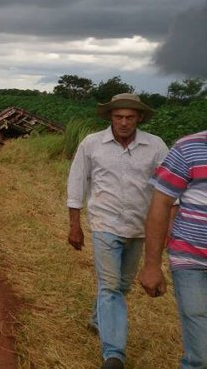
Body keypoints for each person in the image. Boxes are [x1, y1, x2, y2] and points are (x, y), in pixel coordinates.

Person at [66, 93, 168, 369]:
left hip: (139, 228)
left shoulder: (155, 146)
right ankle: (114, 354)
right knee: (111, 287)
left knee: (122, 286)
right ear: (110, 117)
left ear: (140, 118)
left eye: (130, 117)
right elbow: (77, 183)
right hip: (104, 225)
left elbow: (168, 189)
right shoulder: (92, 144)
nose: (123, 122)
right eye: (118, 117)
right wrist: (75, 225)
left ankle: (99, 319)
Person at [139, 129, 207, 369]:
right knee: (201, 353)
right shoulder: (188, 148)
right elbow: (161, 204)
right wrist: (151, 265)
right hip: (191, 259)